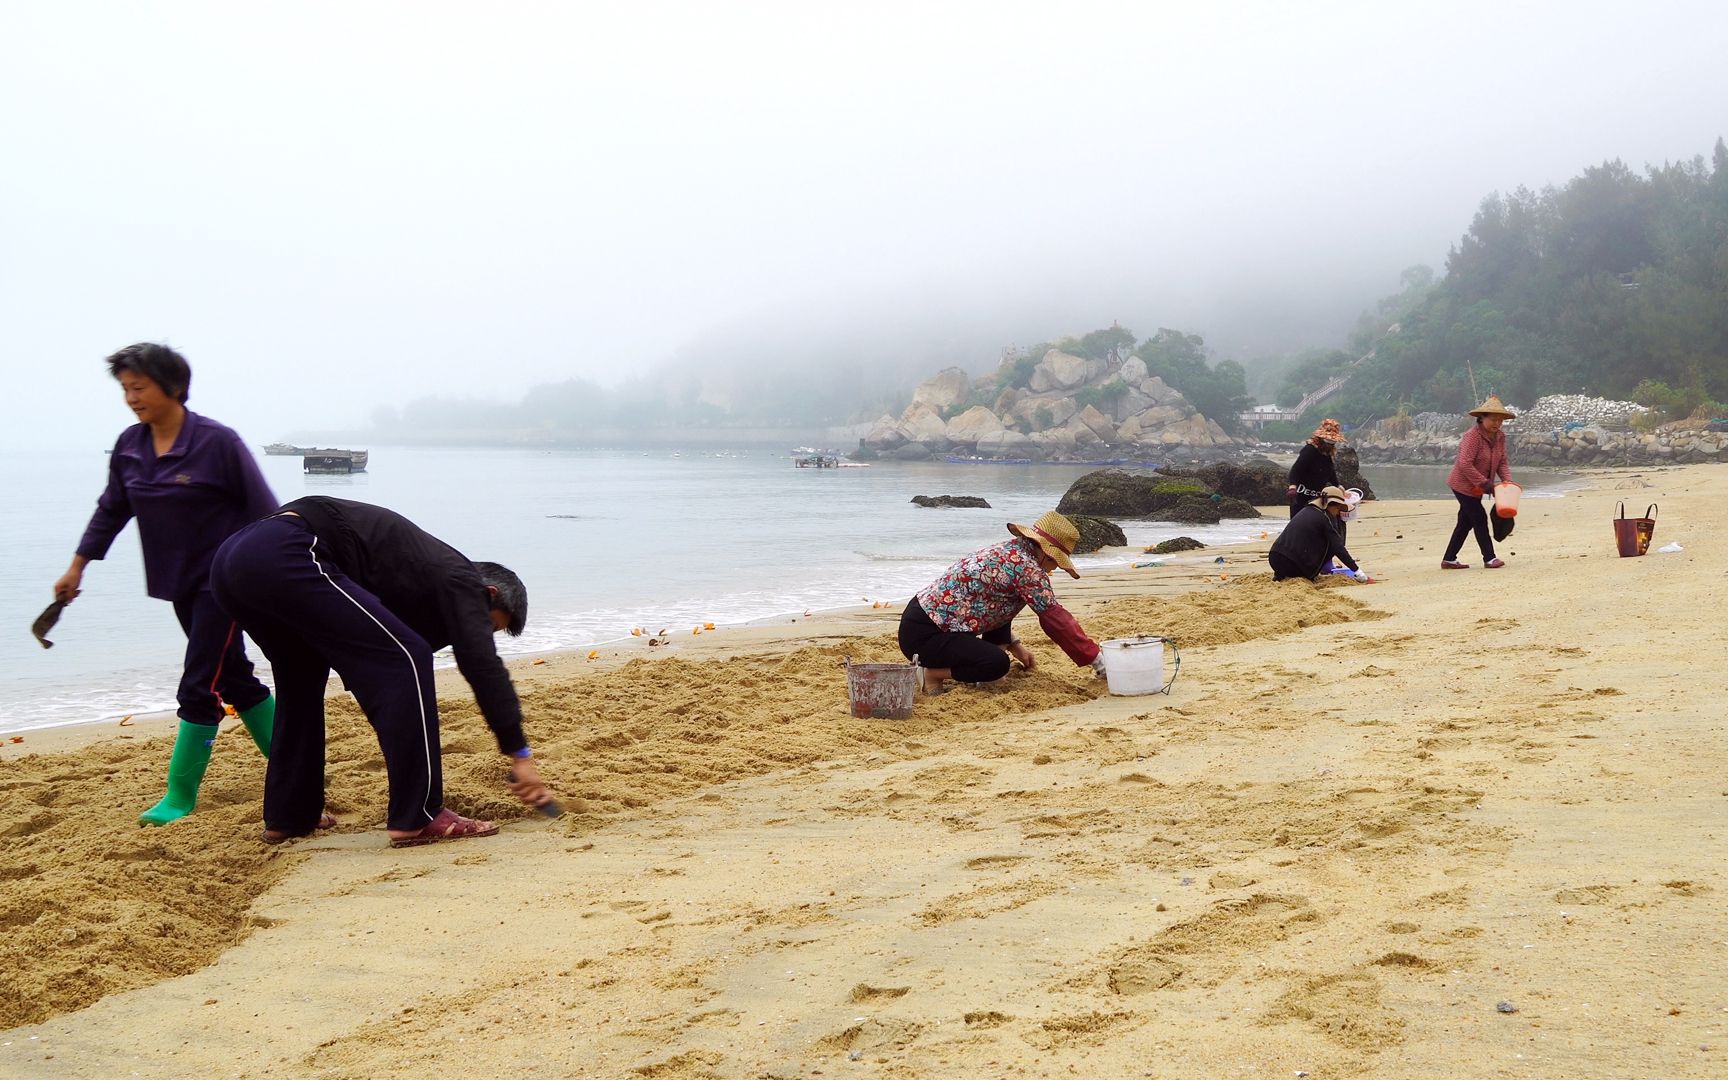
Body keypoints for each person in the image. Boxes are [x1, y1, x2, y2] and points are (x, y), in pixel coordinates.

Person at [209, 496, 555, 846]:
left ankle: (291, 816)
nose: (477, 634)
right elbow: (481, 666)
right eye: (488, 626)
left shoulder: (414, 578)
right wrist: (519, 754)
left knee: (300, 681)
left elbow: (370, 659)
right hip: (287, 548)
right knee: (409, 657)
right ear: (489, 593)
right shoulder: (462, 579)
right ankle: (420, 816)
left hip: (230, 561)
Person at [53, 343, 280, 825]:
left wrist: (276, 576)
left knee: (200, 682)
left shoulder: (218, 443)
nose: (131, 397)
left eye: (139, 387)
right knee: (235, 676)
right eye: (125, 389)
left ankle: (180, 796)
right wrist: (77, 567)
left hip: (225, 581)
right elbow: (112, 508)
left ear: (173, 387)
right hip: (176, 583)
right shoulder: (131, 445)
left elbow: (265, 512)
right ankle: (294, 768)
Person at [897, 511, 1103, 695]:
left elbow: (995, 606)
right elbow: (1056, 621)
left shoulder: (1009, 550)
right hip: (926, 637)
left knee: (1008, 603)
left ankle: (982, 677)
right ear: (1044, 551)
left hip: (918, 620)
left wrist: (1016, 645)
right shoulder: (1027, 569)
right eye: (1055, 561)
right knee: (997, 664)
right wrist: (1098, 661)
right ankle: (932, 673)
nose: (1055, 568)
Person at [1441, 395, 1515, 570]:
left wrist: (1507, 482)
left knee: (1465, 522)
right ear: (1482, 418)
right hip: (1462, 485)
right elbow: (1464, 463)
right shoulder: (1472, 436)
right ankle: (1489, 558)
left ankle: (1449, 559)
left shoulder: (1500, 437)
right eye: (1493, 419)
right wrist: (1486, 484)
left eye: (1500, 420)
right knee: (1479, 518)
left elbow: (1502, 461)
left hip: (1478, 487)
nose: (1496, 423)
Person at [1269, 486, 1367, 582]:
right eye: (1338, 509)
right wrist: (1357, 570)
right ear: (1331, 505)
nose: (1338, 513)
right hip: (1293, 565)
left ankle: (1280, 575)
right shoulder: (1325, 519)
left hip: (1275, 557)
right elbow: (1338, 547)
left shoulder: (1306, 510)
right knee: (1331, 541)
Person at [1286, 418, 1345, 518]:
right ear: (1320, 439)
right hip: (1301, 494)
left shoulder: (1328, 454)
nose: (1329, 445)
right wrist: (1293, 486)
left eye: (1332, 443)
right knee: (1299, 521)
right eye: (1327, 442)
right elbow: (1296, 469)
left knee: (1316, 521)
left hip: (1317, 495)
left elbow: (1330, 470)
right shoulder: (1309, 450)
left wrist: (1338, 485)